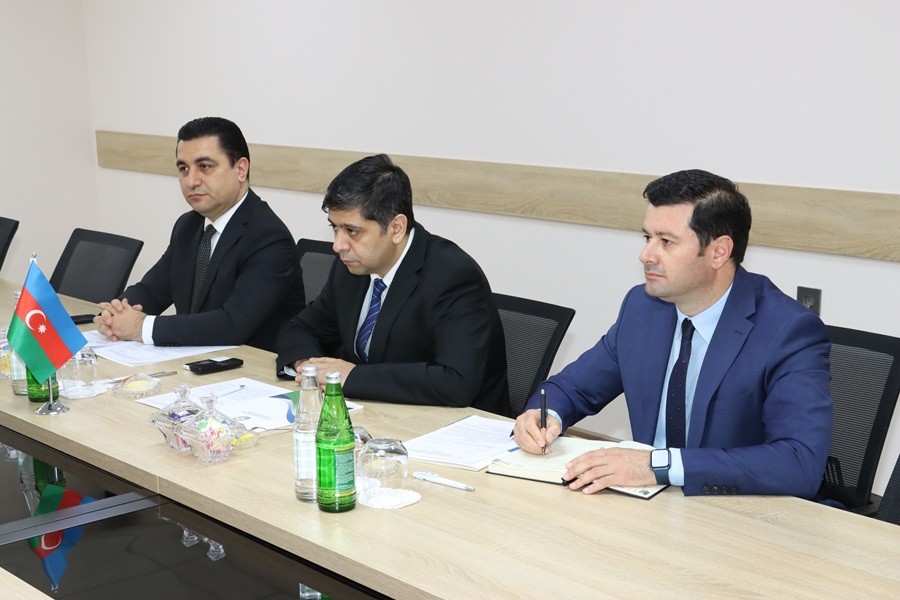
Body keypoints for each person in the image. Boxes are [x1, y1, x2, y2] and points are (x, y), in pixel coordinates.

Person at [514, 169, 832, 498]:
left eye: (665, 242)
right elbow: (572, 388)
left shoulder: (788, 331)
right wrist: (542, 416)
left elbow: (799, 462)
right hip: (650, 505)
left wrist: (658, 465)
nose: (646, 255)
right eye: (647, 238)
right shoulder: (642, 308)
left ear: (719, 252)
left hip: (735, 512)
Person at [276, 154, 510, 416]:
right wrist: (309, 367)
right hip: (379, 415)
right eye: (334, 228)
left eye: (352, 231)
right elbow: (299, 328)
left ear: (396, 228)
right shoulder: (351, 266)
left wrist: (353, 377)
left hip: (455, 425)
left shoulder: (453, 276)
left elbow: (456, 382)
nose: (338, 245)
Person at [94, 117, 304, 351]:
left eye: (205, 166)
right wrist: (115, 313)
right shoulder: (188, 225)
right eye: (184, 169)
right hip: (194, 358)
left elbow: (232, 324)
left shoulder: (269, 238)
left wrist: (141, 327)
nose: (191, 181)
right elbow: (153, 290)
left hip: (250, 366)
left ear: (240, 169)